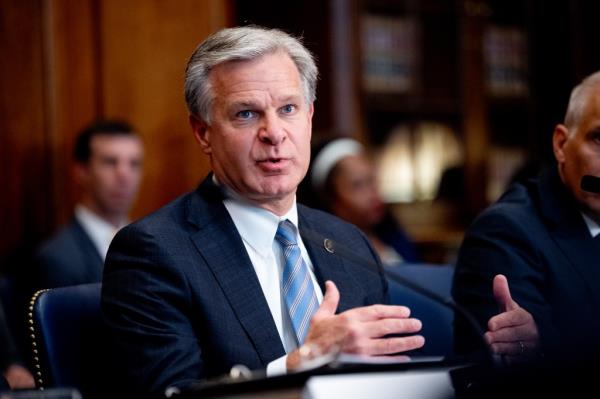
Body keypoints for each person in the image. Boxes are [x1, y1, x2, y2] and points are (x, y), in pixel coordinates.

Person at [101, 26, 425, 398]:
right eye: (246, 114)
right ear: (203, 132)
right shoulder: (154, 252)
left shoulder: (349, 242)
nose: (274, 133)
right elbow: (170, 393)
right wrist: (299, 365)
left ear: (309, 117)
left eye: (288, 109)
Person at [452, 71, 600, 370]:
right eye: (599, 139)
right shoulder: (505, 232)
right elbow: (522, 365)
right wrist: (533, 346)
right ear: (561, 144)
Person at [34, 120, 144, 289]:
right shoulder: (56, 258)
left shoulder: (149, 244)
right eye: (110, 162)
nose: (124, 175)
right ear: (81, 172)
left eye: (134, 164)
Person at [299, 137, 420, 265]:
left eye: (372, 180)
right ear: (331, 198)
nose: (373, 194)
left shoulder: (394, 237)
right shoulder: (329, 256)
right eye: (358, 185)